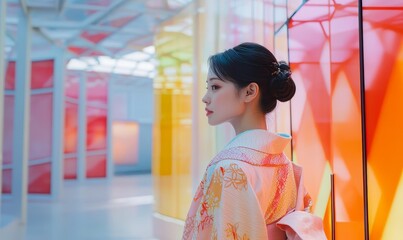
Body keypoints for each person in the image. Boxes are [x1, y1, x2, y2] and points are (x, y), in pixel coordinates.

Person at [182, 42, 327, 240]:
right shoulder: (283, 164)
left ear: (249, 92)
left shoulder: (231, 168)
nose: (206, 98)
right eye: (208, 88)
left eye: (215, 87)